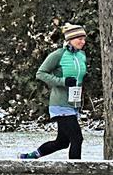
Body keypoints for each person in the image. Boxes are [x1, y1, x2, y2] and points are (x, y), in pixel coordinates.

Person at [20, 23, 88, 160]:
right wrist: (62, 81)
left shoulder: (81, 55)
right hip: (60, 103)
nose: (83, 42)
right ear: (70, 39)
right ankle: (75, 169)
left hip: (74, 103)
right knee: (77, 138)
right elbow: (41, 73)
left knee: (62, 142)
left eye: (84, 39)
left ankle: (31, 156)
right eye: (79, 39)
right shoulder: (58, 54)